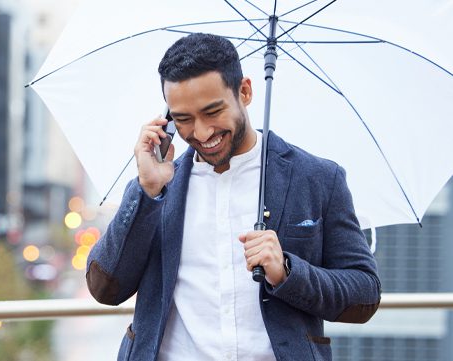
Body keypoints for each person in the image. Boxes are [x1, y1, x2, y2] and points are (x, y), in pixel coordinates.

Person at [86, 33, 381, 361]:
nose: (200, 132)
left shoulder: (318, 178)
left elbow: (364, 294)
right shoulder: (157, 186)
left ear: (245, 92)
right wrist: (146, 190)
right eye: (183, 119)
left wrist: (286, 272)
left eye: (212, 112)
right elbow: (104, 289)